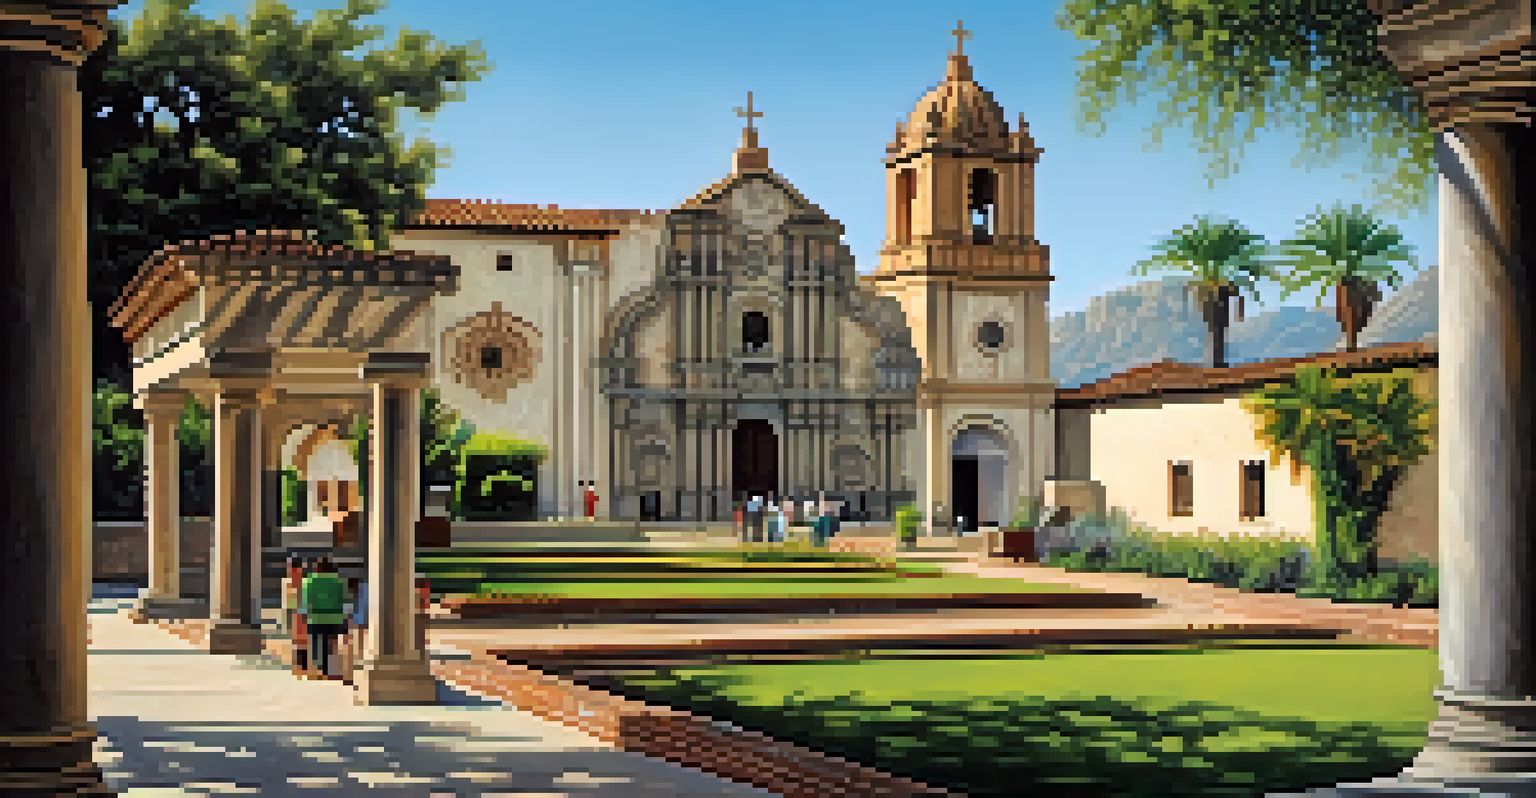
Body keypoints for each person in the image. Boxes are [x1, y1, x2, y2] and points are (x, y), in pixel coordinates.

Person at [302, 557, 346, 681]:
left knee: (315, 643)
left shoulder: (309, 580)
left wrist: (305, 614)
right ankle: (328, 669)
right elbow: (342, 599)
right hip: (333, 616)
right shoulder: (338, 581)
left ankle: (316, 669)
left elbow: (306, 600)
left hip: (314, 616)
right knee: (329, 644)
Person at [342, 575, 367, 686]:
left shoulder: (359, 590)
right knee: (361, 650)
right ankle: (356, 675)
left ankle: (349, 675)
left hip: (357, 621)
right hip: (366, 621)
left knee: (352, 648)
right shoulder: (368, 588)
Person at [288, 557, 311, 677]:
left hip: (298, 610)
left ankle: (301, 665)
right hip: (301, 610)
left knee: (299, 639)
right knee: (301, 639)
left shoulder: (291, 579)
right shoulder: (303, 578)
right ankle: (302, 665)